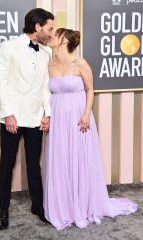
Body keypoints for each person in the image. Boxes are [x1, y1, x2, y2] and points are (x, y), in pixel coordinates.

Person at [43, 28, 137, 230]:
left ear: (64, 41)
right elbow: (45, 94)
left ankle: (83, 205)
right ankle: (64, 208)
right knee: (61, 160)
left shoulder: (81, 63)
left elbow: (90, 90)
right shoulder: (49, 65)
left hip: (79, 118)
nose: (51, 36)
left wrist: (86, 114)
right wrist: (46, 116)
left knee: (79, 159)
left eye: (55, 34)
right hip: (58, 120)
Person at [0, 8, 54, 230]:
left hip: (35, 116)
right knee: (7, 164)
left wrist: (47, 113)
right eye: (49, 28)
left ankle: (38, 206)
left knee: (33, 165)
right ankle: (3, 208)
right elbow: (0, 82)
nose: (51, 33)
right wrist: (8, 113)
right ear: (37, 27)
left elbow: (45, 88)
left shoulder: (46, 52)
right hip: (13, 116)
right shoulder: (8, 47)